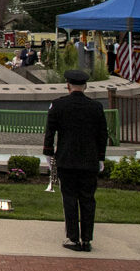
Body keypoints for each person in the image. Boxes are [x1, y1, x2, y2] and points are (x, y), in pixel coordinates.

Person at [43, 70, 108, 253]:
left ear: (68, 85)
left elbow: (50, 132)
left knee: (69, 199)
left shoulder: (58, 105)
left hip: (66, 159)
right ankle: (86, 239)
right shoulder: (96, 107)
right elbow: (103, 134)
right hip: (90, 161)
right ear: (85, 86)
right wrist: (101, 157)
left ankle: (73, 238)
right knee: (88, 200)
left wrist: (48, 154)